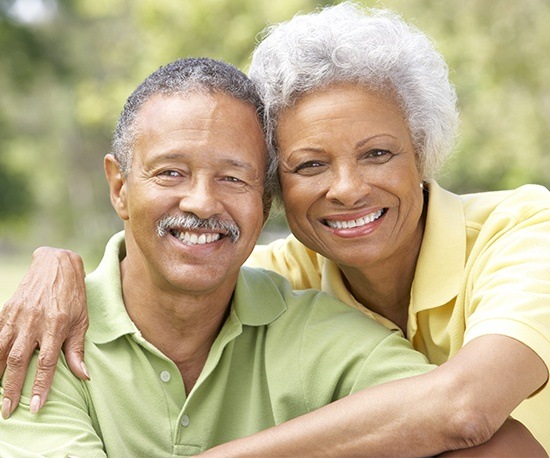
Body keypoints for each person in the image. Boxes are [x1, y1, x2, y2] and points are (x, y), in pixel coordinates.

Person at [1, 2, 549, 456]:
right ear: (276, 191)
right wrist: (57, 264)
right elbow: (180, 265)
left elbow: (466, 410)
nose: (347, 188)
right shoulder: (278, 279)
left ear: (422, 154)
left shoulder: (525, 231)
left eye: (378, 154)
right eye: (310, 164)